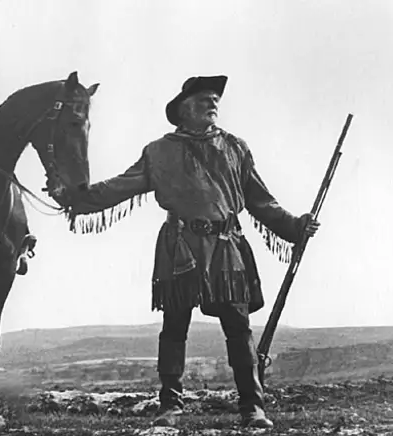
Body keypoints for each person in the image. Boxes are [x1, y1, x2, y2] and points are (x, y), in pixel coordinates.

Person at [61, 76, 320, 428]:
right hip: (179, 246)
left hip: (225, 247)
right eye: (203, 100)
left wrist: (295, 225)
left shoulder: (235, 148)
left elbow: (261, 201)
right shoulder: (158, 151)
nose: (212, 104)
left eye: (215, 100)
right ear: (183, 110)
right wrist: (76, 197)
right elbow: (120, 186)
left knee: (239, 327)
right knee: (174, 328)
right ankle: (170, 405)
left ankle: (252, 406)